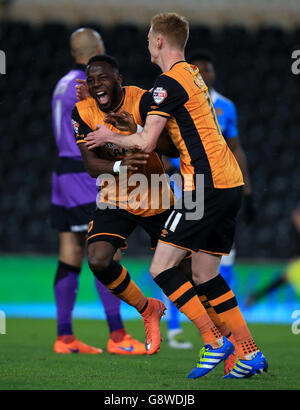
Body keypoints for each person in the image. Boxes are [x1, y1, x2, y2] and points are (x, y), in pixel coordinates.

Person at [85, 13, 268, 379]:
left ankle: (214, 343)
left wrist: (109, 137)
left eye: (149, 38)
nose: (147, 44)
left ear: (158, 42)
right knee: (203, 273)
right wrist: (128, 124)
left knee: (161, 267)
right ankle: (250, 351)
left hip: (205, 185)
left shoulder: (166, 84)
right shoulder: (194, 77)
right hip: (229, 184)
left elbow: (146, 143)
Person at [50, 28, 145, 355]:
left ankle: (64, 337)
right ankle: (118, 336)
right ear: (98, 49)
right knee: (107, 252)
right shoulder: (84, 88)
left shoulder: (62, 83)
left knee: (70, 254)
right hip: (82, 175)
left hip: (61, 174)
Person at [246, 205, 300, 306]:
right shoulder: (295, 235)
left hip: (296, 264)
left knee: (281, 280)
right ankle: (256, 296)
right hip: (296, 264)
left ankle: (255, 296)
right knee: (281, 280)